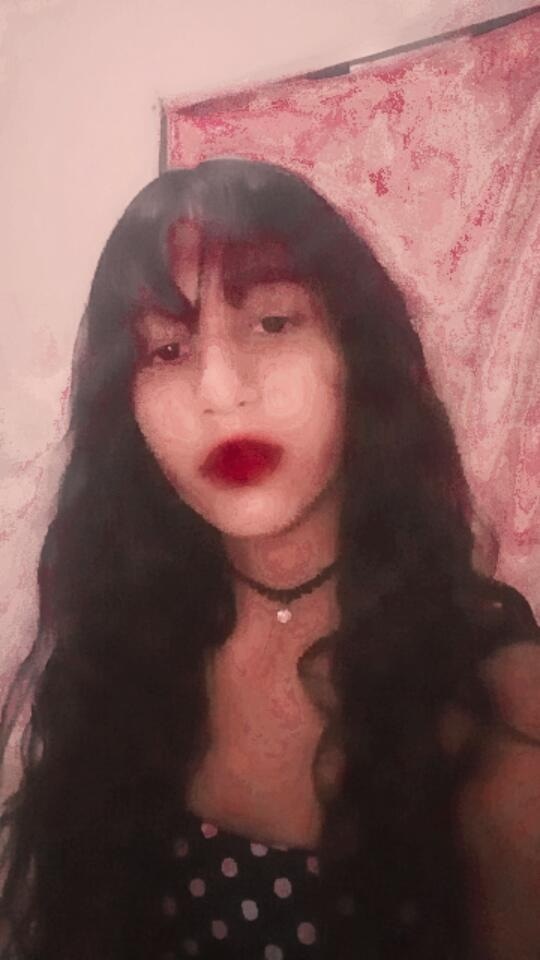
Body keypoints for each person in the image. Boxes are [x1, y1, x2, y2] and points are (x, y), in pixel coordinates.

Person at [1, 158, 539, 960]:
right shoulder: (119, 647)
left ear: (357, 356)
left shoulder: (498, 698)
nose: (221, 390)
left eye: (274, 323)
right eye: (167, 349)